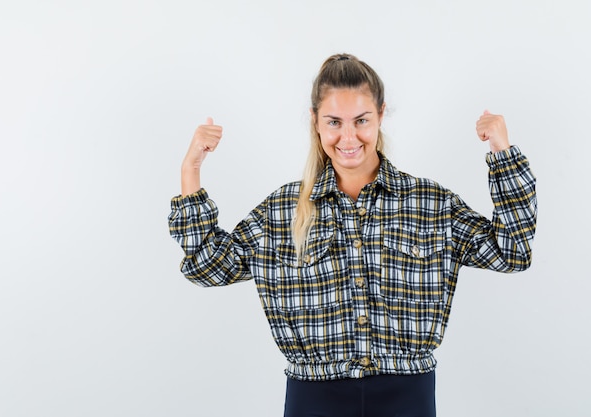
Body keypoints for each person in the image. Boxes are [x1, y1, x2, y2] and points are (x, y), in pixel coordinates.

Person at [168, 53, 537, 417]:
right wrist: (191, 169)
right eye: (334, 122)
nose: (348, 137)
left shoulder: (430, 203)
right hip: (313, 400)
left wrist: (502, 153)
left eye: (361, 120)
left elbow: (512, 252)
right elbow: (207, 266)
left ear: (381, 114)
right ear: (315, 122)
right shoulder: (281, 211)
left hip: (407, 398)